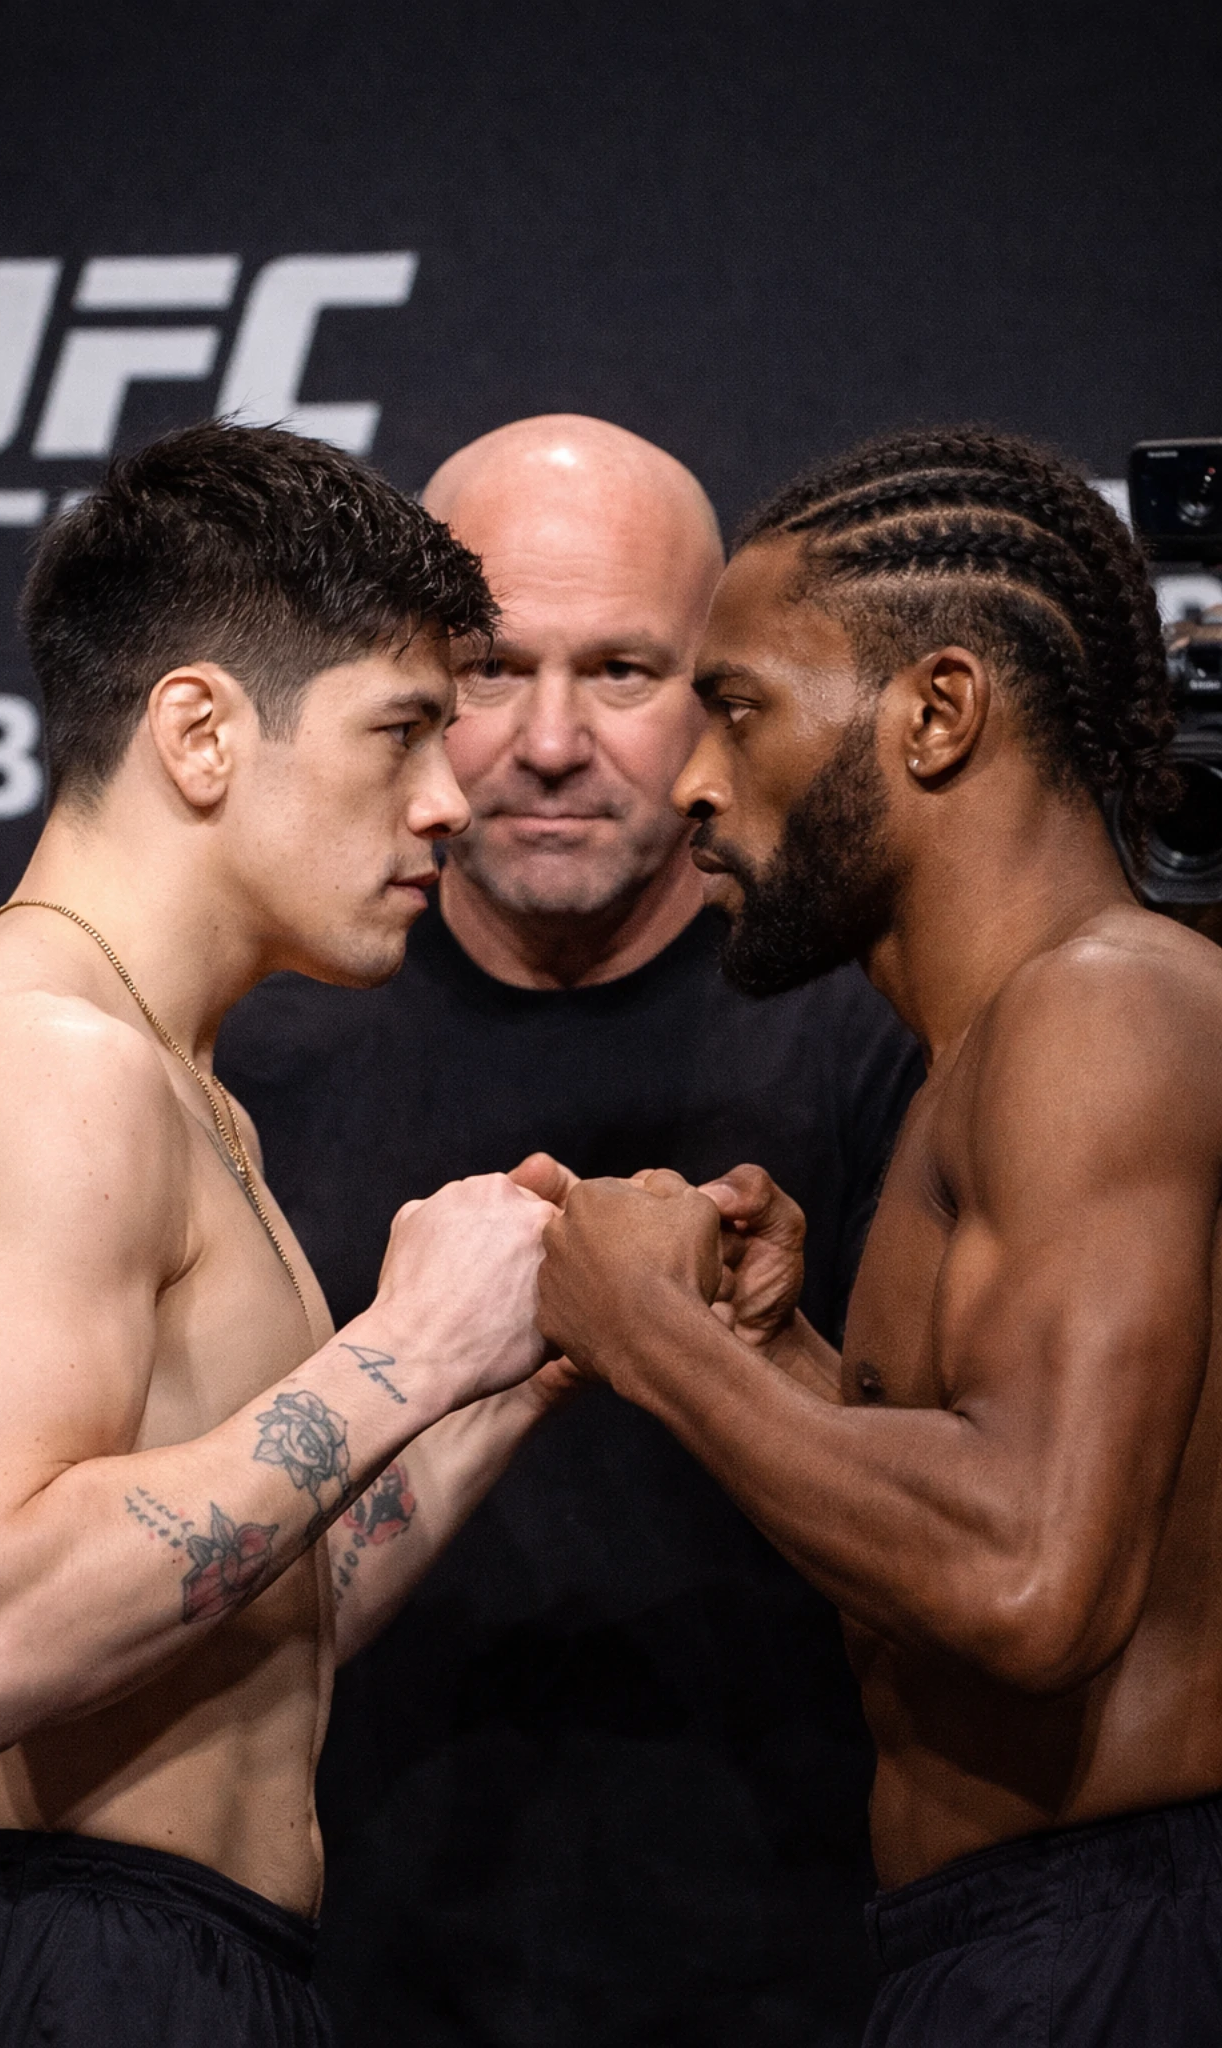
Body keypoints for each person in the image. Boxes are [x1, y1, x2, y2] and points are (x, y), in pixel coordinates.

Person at [0, 420, 577, 2048]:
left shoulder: (167, 1083)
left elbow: (236, 1602)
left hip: (162, 1960)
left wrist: (508, 1372)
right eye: (401, 731)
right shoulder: (53, 1064)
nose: (453, 799)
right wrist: (404, 1351)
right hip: (65, 1967)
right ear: (198, 731)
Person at [218, 414, 923, 2045]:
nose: (546, 742)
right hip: (347, 1978)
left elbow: (971, 1534)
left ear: (721, 689)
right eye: (487, 670)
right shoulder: (260, 1047)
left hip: (804, 1976)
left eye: (621, 670)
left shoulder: (868, 1036)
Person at [536, 427, 1222, 2045]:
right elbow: (1006, 1499)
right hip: (1023, 1936)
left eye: (743, 706)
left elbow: (1034, 1583)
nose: (692, 778)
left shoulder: (1099, 1009)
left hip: (1119, 1941)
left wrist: (655, 1345)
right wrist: (779, 1359)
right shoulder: (989, 1053)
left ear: (938, 713)